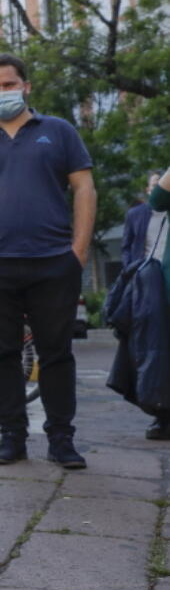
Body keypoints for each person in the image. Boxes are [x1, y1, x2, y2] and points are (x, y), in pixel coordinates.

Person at [0, 52, 96, 468]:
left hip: (53, 261)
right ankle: (11, 436)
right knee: (2, 355)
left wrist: (78, 251)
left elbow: (84, 188)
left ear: (25, 86)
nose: (1, 93)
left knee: (56, 353)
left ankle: (62, 439)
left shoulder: (60, 131)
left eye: (8, 85)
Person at [116, 170, 170, 439]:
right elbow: (159, 200)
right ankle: (162, 415)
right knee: (154, 350)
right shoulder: (139, 213)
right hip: (152, 284)